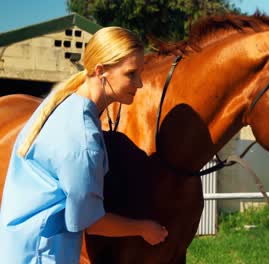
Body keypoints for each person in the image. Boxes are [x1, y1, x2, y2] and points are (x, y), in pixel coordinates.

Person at [0, 26, 168, 263]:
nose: (139, 84)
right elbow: (89, 222)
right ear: (101, 71)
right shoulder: (82, 137)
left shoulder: (63, 105)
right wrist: (143, 228)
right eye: (131, 74)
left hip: (19, 248)